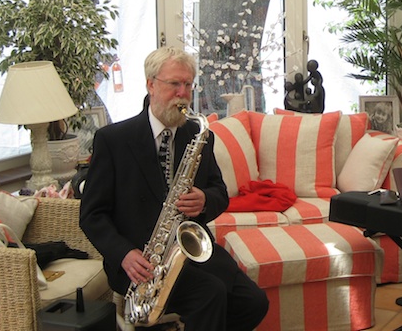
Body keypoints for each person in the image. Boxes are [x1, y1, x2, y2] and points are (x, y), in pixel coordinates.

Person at [79, 46, 269, 331]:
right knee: (210, 295)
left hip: (188, 251)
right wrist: (123, 254)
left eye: (188, 85)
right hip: (140, 261)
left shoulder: (198, 134)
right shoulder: (113, 139)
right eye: (174, 84)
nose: (183, 93)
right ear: (151, 85)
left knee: (255, 302)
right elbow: (91, 215)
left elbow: (219, 191)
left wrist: (204, 200)